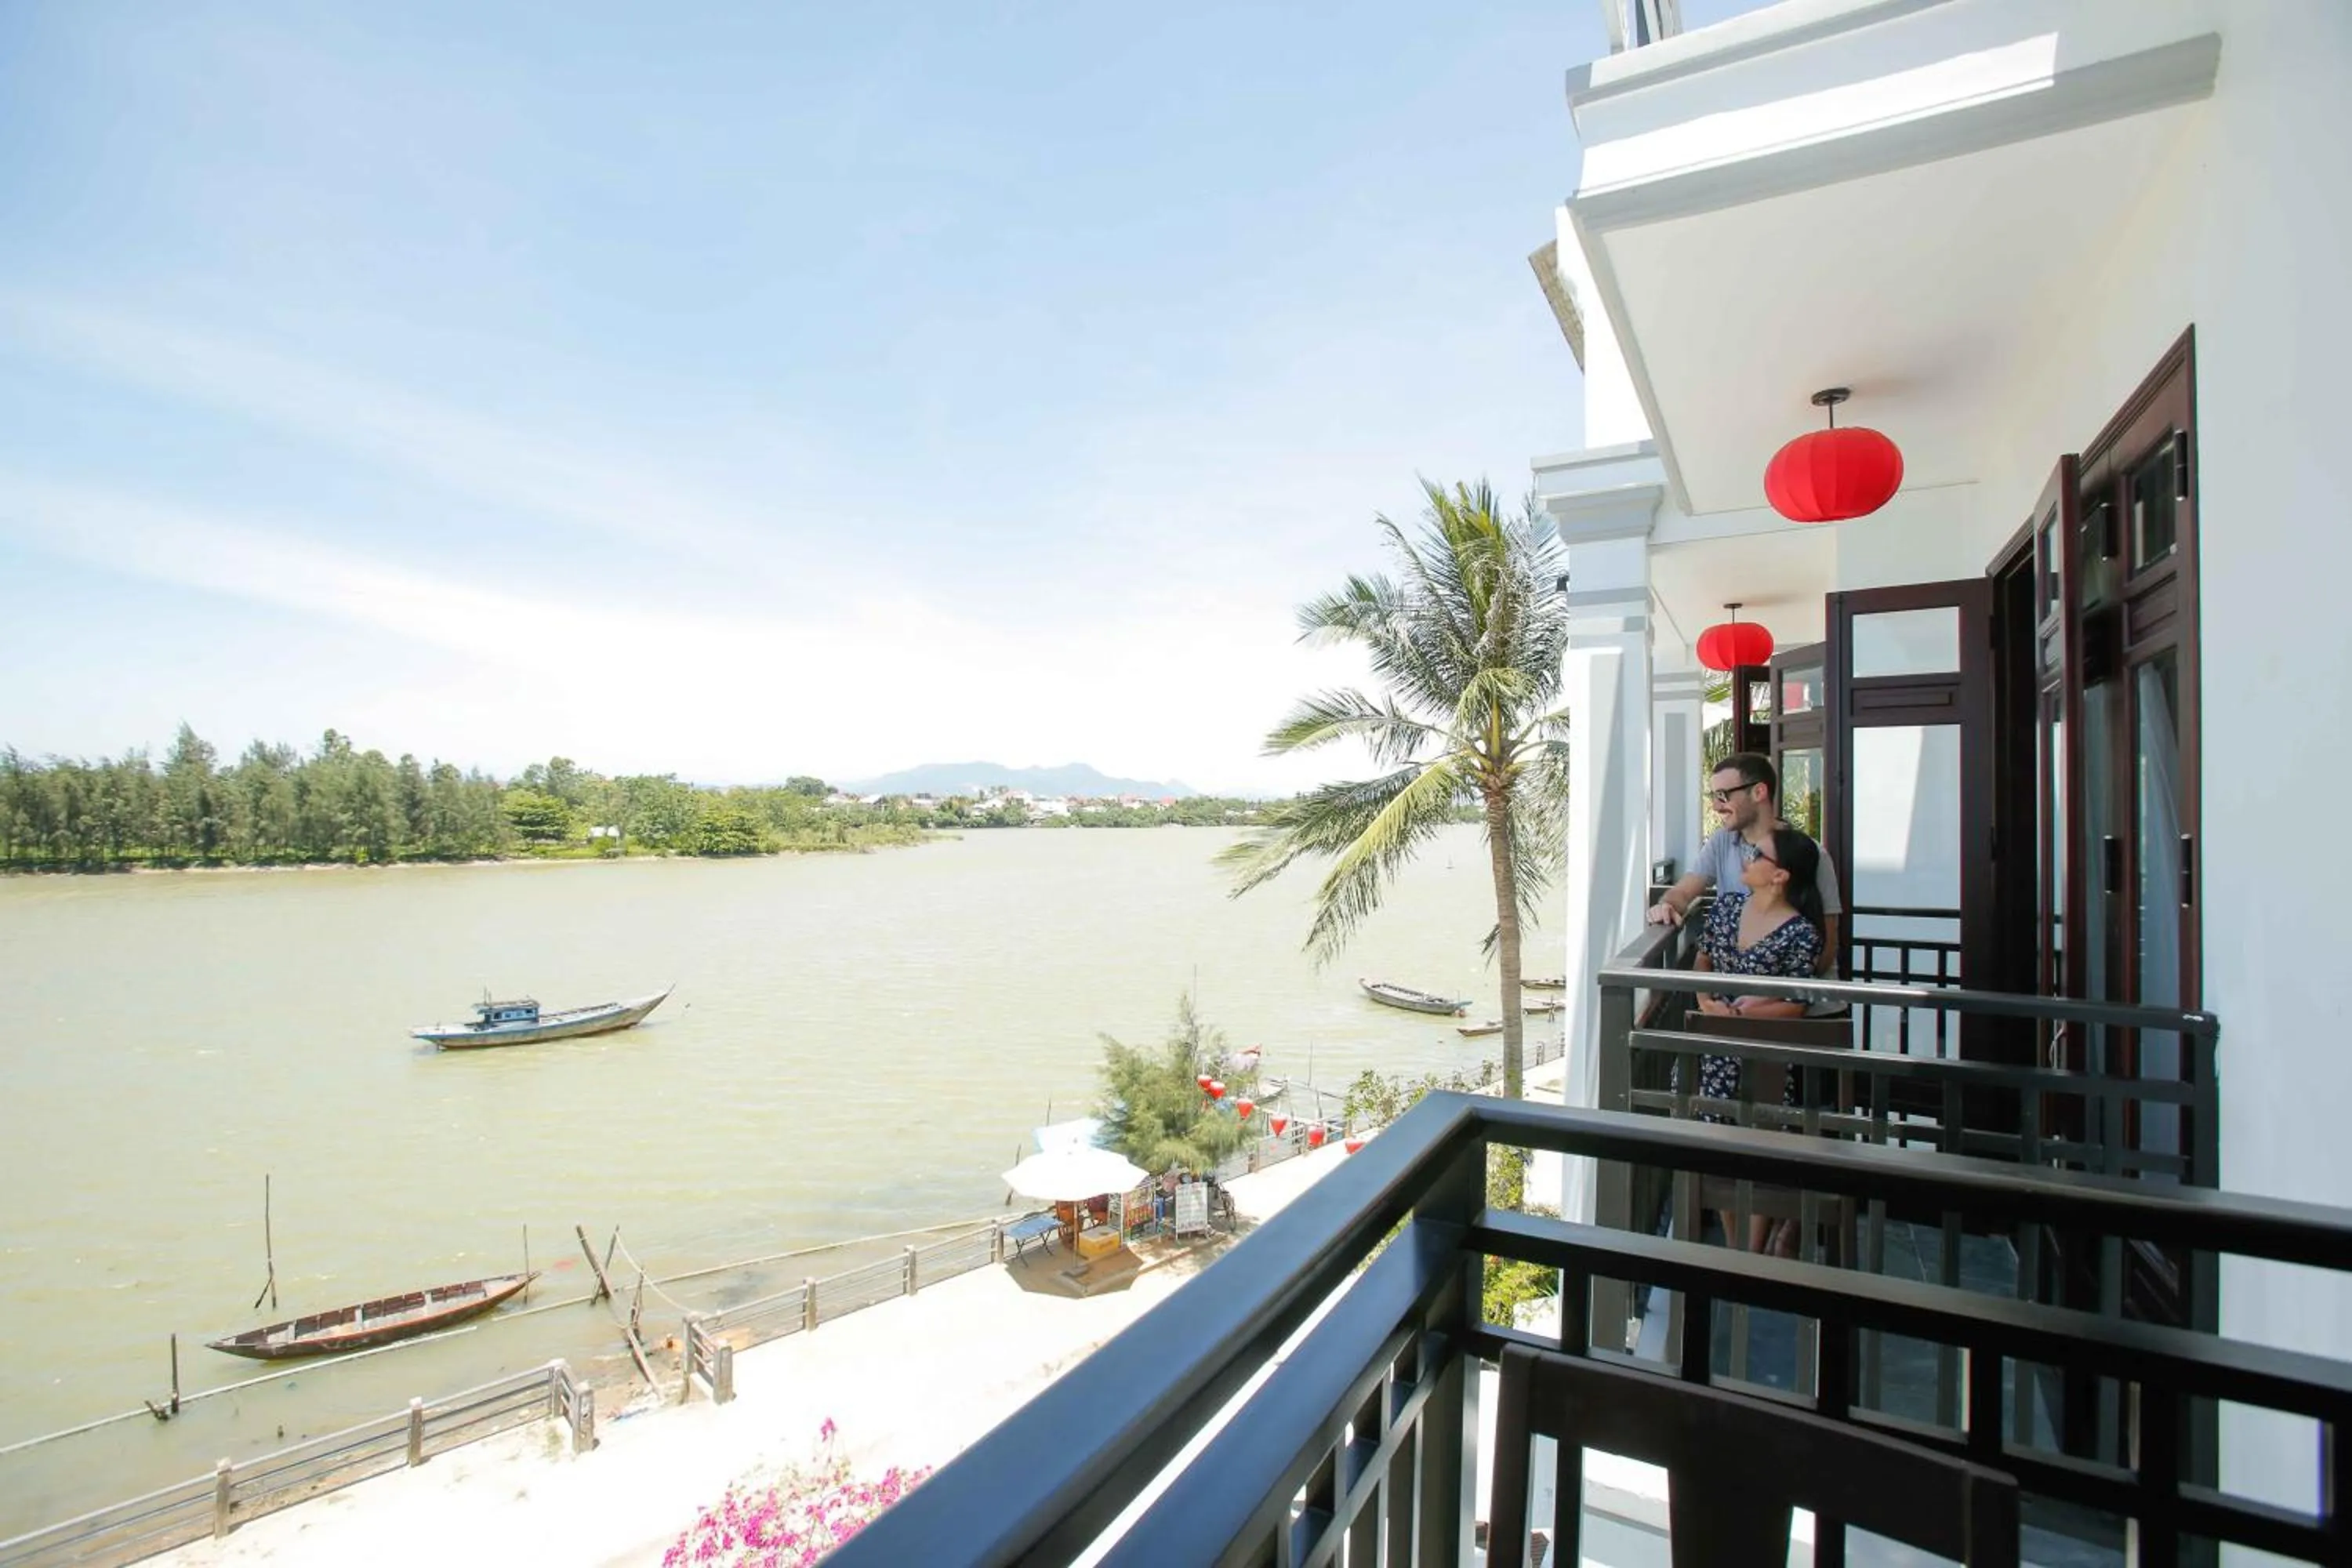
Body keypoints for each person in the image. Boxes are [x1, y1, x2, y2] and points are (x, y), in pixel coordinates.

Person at [1686, 825, 1825, 1253]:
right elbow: (1702, 960)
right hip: (1715, 1047)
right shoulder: (1727, 908)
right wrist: (1707, 1001)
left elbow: (1796, 1002)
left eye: (1757, 855)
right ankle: (1736, 1249)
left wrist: (1746, 1012)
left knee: (1760, 1153)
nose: (1746, 860)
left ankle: (1754, 1250)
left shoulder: (1801, 933)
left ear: (1780, 875)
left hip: (1764, 1055)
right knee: (1715, 1153)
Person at [1646, 753, 1842, 978]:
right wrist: (1667, 905)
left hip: (1801, 1004)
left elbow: (1828, 941)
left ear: (1759, 792)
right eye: (1713, 796)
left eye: (1723, 796)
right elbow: (1684, 891)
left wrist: (1787, 1002)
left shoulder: (1812, 853)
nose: (1716, 807)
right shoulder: (1721, 842)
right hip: (1736, 1002)